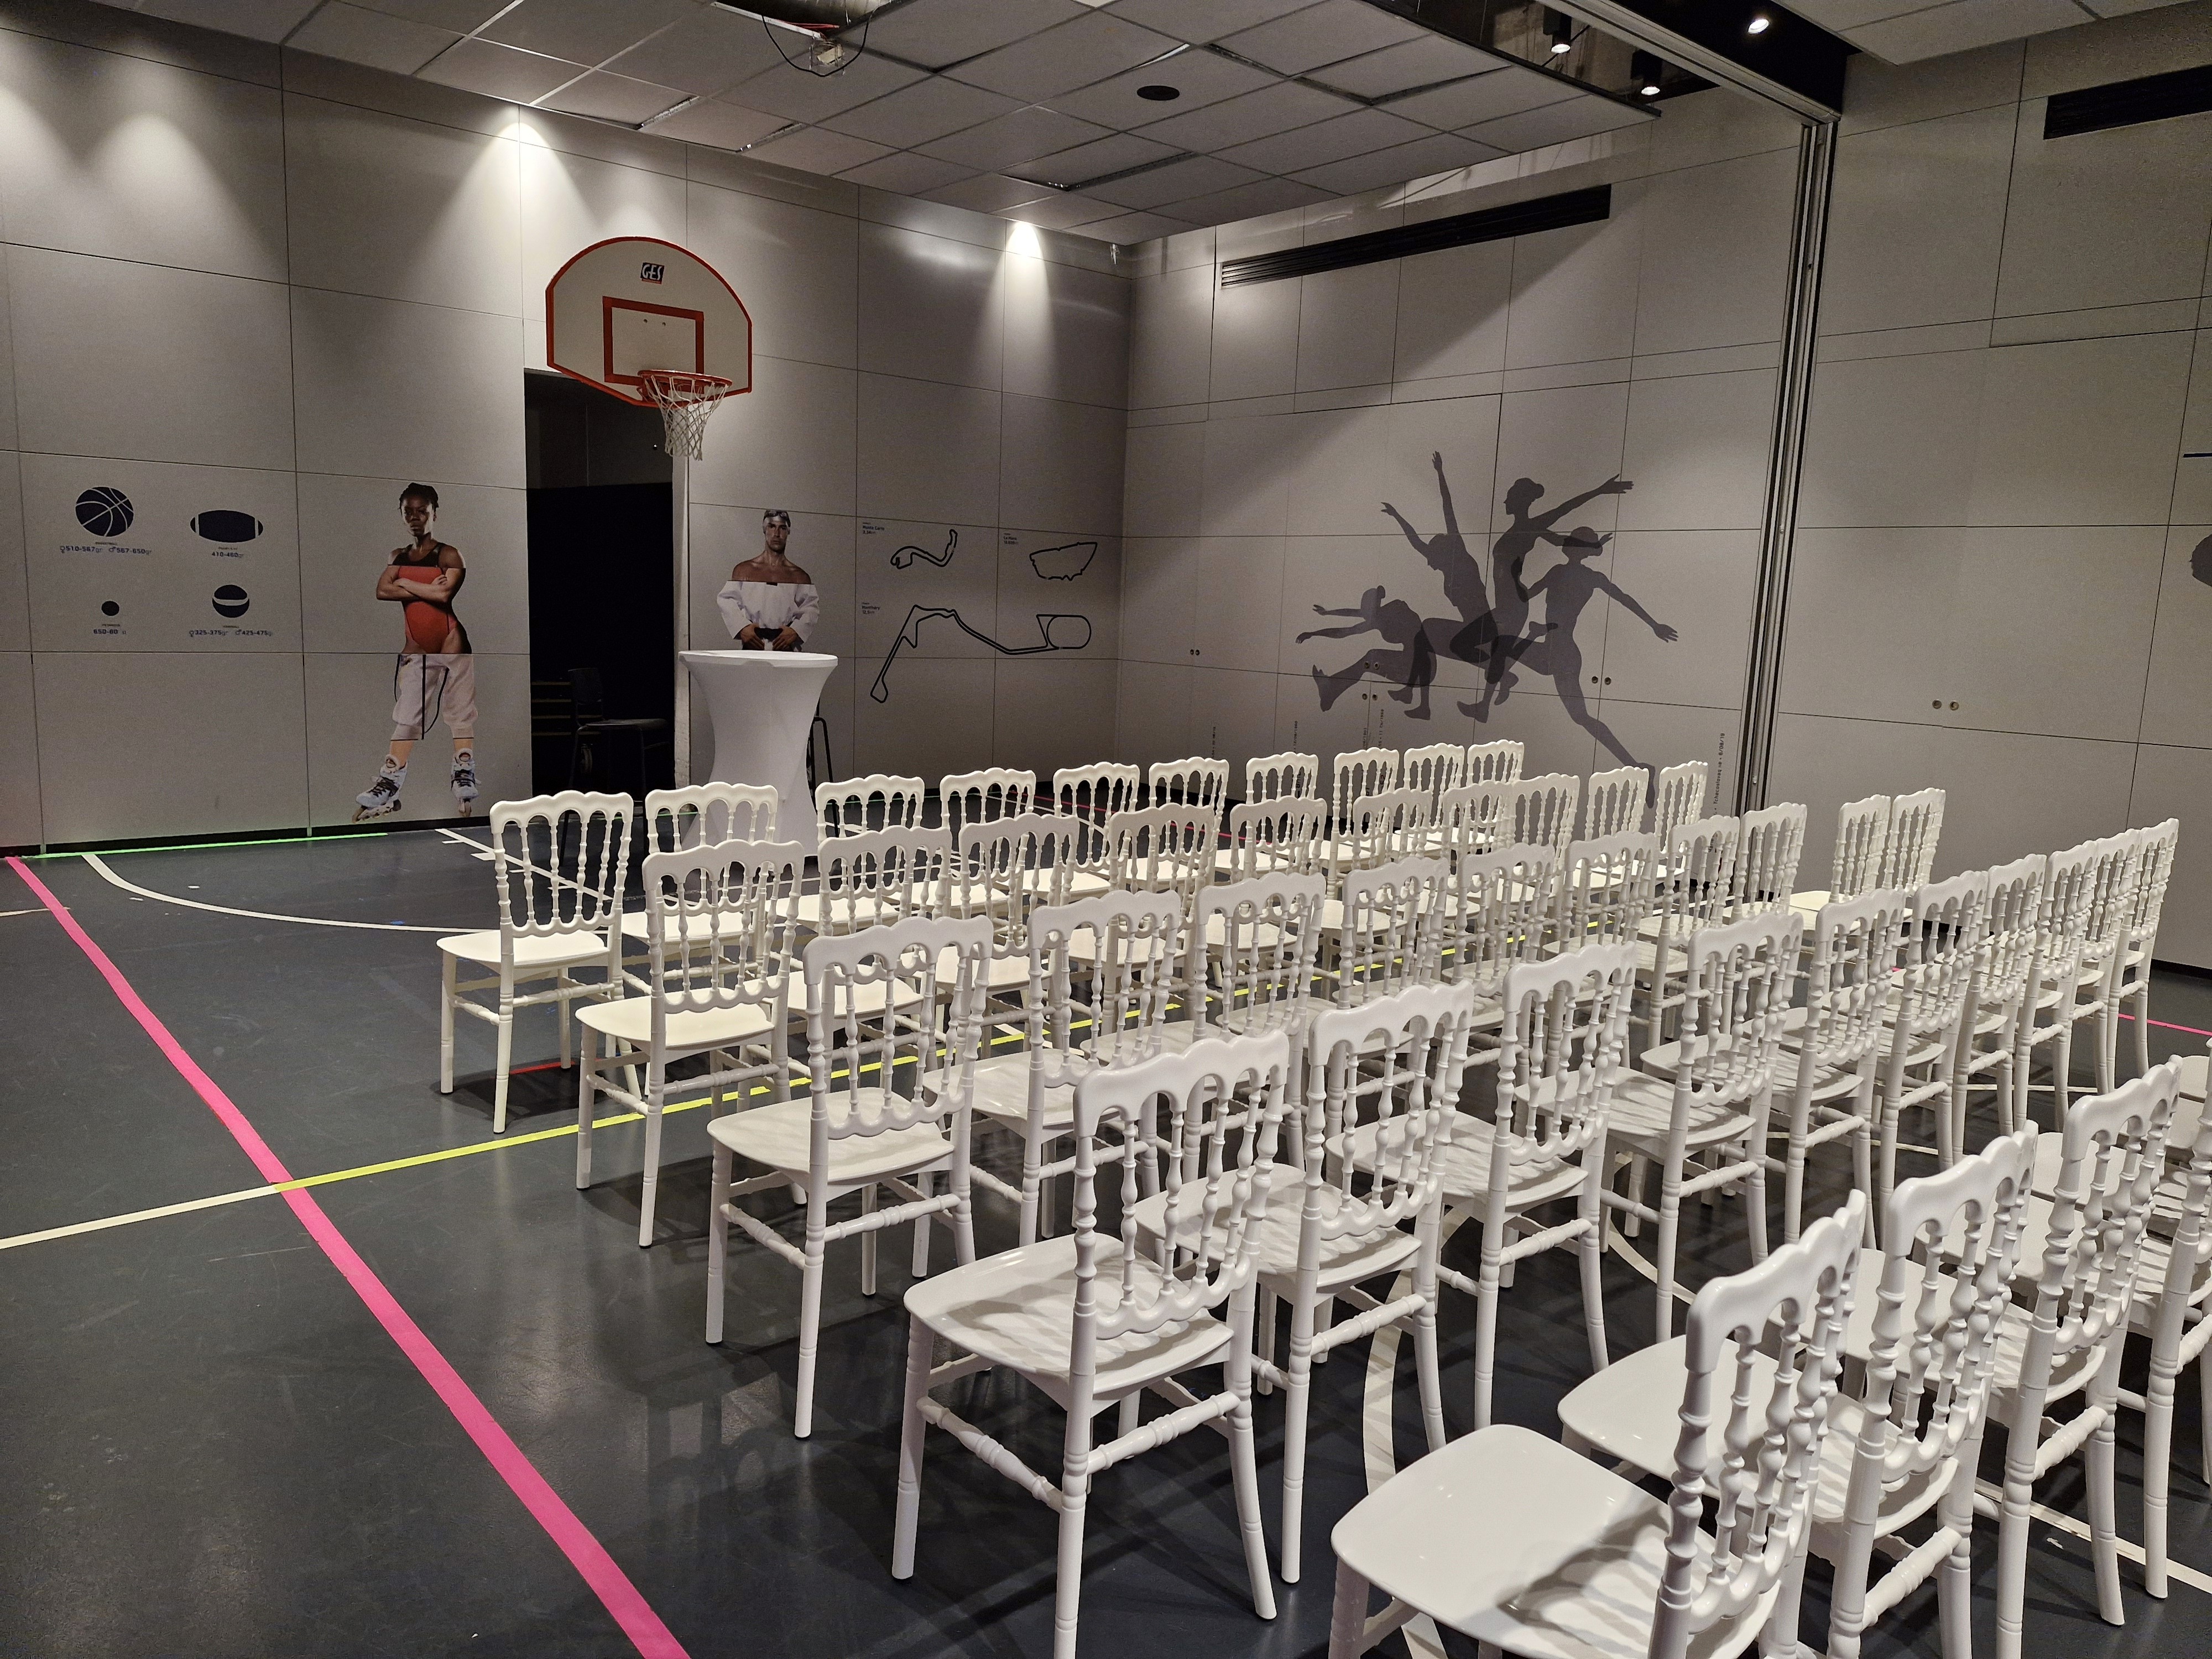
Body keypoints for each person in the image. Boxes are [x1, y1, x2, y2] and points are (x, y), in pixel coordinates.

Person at [354, 483, 476, 821]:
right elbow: (382, 590)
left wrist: (405, 583)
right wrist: (421, 586)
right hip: (417, 649)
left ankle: (464, 770)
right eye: (409, 511)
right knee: (407, 716)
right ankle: (389, 780)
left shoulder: (449, 555)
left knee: (460, 712)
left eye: (422, 511)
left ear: (434, 512)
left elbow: (444, 596)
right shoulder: (398, 556)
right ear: (402, 513)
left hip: (452, 644)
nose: (415, 517)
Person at [1512, 526, 1677, 771]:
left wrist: (1654, 625)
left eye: (1571, 543)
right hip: (1558, 651)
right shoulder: (1573, 574)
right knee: (1582, 718)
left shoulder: (1572, 575)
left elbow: (1624, 598)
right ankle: (1634, 765)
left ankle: (1635, 766)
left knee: (1504, 647)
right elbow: (1526, 596)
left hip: (1560, 653)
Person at [1469, 472, 1632, 713]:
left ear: (1522, 500)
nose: (1505, 502)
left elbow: (1564, 510)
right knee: (1493, 649)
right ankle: (1497, 690)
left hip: (1513, 603)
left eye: (1510, 497)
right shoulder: (1525, 530)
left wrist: (1599, 492)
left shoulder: (1532, 527)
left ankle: (1492, 694)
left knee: (1491, 647)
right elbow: (1561, 537)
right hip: (1509, 601)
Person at [1300, 585, 1438, 718]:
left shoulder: (1391, 613)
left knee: (1371, 658)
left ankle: (1330, 690)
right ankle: (1331, 690)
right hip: (1415, 666)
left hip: (1421, 670)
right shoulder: (1381, 613)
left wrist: (1419, 698)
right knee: (1371, 658)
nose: (1364, 616)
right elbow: (1351, 614)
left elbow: (1345, 631)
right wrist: (1327, 614)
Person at [718, 509, 820, 650]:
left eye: (782, 528)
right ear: (764, 530)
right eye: (772, 527)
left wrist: (796, 631)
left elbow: (810, 608)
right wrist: (742, 628)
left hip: (785, 647)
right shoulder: (744, 571)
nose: (777, 534)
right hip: (754, 645)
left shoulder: (799, 576)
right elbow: (728, 601)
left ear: (788, 532)